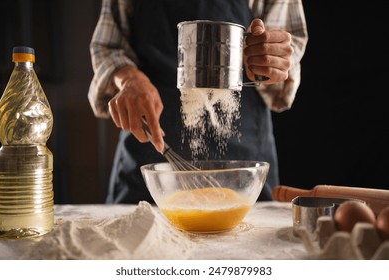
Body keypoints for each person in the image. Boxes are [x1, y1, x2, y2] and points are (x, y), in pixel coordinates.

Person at [88, 0, 308, 203]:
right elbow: (107, 47)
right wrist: (128, 78)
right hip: (149, 166)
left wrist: (273, 59)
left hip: (244, 171)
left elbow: (283, 74)